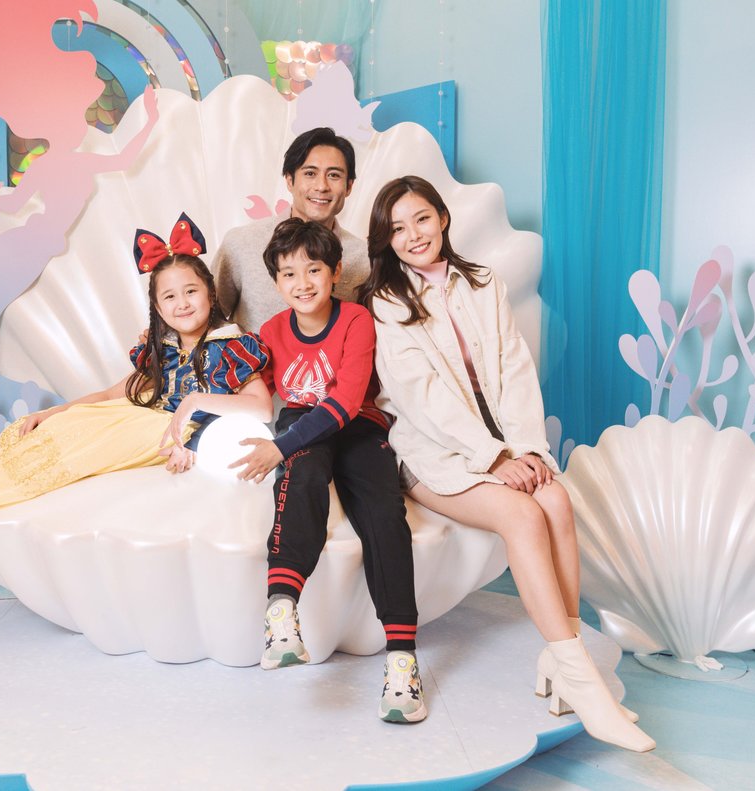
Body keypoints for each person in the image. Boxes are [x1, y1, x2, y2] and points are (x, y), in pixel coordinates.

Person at [357, 176, 654, 751]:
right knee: (522, 515)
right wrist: (492, 457)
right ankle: (586, 687)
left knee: (556, 498)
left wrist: (526, 449)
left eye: (421, 219)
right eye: (397, 228)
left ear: (443, 218)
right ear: (385, 240)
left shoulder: (482, 282)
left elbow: (515, 368)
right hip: (430, 452)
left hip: (501, 443)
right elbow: (421, 398)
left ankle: (562, 662)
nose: (413, 235)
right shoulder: (385, 302)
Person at [0, 215, 272, 550]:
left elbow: (261, 406)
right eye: (169, 297)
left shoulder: (230, 346)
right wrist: (56, 411)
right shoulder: (162, 350)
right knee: (47, 431)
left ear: (210, 294)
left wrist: (196, 401)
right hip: (133, 415)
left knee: (61, 454)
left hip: (160, 433)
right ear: (158, 308)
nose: (182, 303)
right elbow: (113, 393)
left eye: (191, 292)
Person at [233, 218, 423, 723]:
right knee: (302, 475)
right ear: (276, 283)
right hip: (302, 423)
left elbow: (345, 401)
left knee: (384, 512)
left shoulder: (356, 319)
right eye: (289, 274)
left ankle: (402, 662)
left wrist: (279, 447)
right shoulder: (271, 332)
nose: (302, 283)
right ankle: (280, 612)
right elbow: (245, 386)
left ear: (336, 272)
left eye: (313, 269)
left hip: (357, 423)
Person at [213, 127, 369, 333]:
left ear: (349, 186)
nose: (321, 186)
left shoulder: (365, 259)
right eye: (310, 173)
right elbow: (205, 316)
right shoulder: (241, 242)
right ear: (289, 180)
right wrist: (240, 348)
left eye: (333, 175)